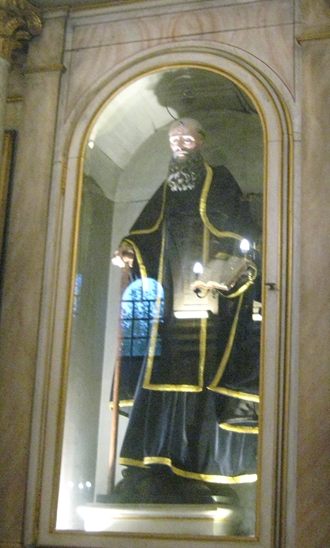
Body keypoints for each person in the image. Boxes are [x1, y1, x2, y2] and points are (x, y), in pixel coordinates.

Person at [108, 118, 260, 504]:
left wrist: (225, 268)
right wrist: (129, 249)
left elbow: (242, 236)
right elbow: (146, 232)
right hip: (170, 302)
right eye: (174, 139)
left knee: (205, 379)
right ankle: (155, 464)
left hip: (211, 310)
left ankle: (199, 467)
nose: (179, 144)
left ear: (200, 142)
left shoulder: (220, 180)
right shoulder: (167, 189)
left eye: (187, 138)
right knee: (159, 375)